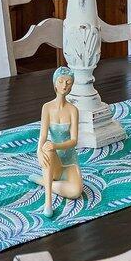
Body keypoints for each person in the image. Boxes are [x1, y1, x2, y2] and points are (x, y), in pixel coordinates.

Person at [35, 67, 84, 214]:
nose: (64, 85)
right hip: (54, 161)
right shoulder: (47, 108)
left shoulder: (73, 110)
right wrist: (38, 151)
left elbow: (74, 140)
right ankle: (48, 201)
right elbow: (43, 136)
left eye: (68, 82)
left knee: (76, 192)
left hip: (69, 161)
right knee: (47, 148)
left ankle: (43, 181)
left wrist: (56, 145)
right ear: (55, 84)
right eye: (61, 81)